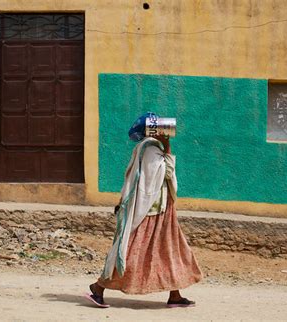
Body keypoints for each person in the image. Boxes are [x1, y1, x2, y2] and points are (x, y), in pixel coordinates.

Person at [84, 112, 203, 308]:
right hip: (150, 211)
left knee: (169, 251)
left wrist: (164, 147)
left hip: (161, 210)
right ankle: (98, 288)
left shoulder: (151, 148)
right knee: (133, 251)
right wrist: (168, 146)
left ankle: (174, 295)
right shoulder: (149, 150)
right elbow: (165, 173)